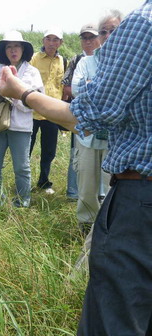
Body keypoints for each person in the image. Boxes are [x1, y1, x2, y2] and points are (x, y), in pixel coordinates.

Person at [0, 1, 152, 333]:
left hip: (141, 197)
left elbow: (86, 112)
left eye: (113, 32)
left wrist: (22, 93)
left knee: (117, 318)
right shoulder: (82, 61)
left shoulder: (144, 24)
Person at [71, 10, 123, 269]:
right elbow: (79, 88)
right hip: (89, 136)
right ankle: (86, 224)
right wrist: (97, 88)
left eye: (113, 30)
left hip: (116, 140)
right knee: (86, 182)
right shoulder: (86, 61)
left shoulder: (127, 62)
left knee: (113, 188)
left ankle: (108, 228)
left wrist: (94, 87)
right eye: (104, 31)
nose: (107, 36)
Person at [0, 31, 44, 209]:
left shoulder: (32, 72)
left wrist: (14, 94)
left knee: (21, 167)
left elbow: (36, 102)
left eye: (17, 46)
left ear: (23, 49)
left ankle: (23, 202)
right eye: (9, 47)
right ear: (4, 50)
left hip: (20, 127)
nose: (13, 50)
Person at [62, 23, 101, 201]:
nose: (88, 41)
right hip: (80, 115)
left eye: (91, 37)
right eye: (84, 38)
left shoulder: (108, 60)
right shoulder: (77, 60)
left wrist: (88, 85)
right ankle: (73, 191)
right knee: (77, 153)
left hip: (103, 118)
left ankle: (101, 194)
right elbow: (70, 88)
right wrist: (94, 88)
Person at [29, 28, 67, 194]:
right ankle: (24, 181)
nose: (52, 43)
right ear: (43, 40)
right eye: (49, 39)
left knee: (49, 151)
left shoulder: (63, 61)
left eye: (56, 39)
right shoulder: (33, 59)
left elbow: (63, 86)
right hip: (32, 111)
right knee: (26, 149)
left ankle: (44, 182)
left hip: (52, 113)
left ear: (61, 42)